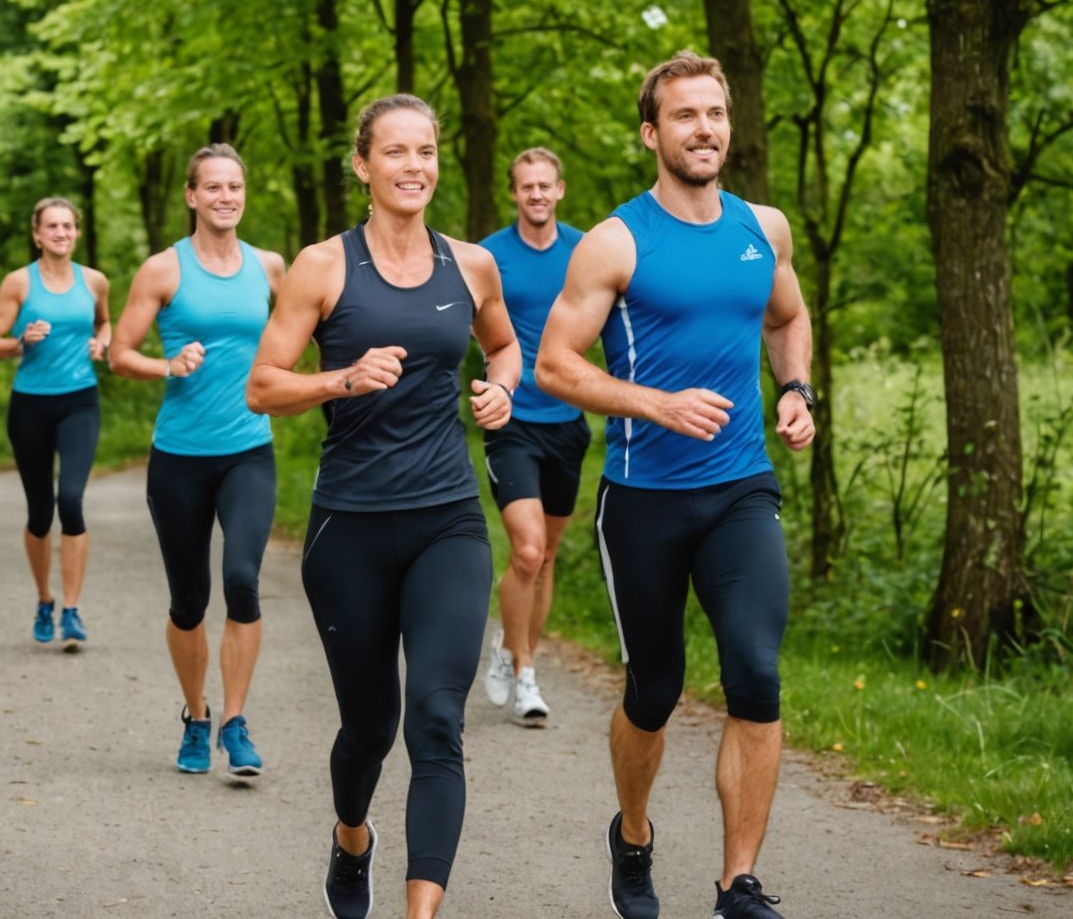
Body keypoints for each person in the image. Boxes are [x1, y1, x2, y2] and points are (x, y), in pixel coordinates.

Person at [536, 51, 814, 919]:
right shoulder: (618, 242)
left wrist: (797, 390)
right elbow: (552, 365)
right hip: (642, 498)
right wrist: (650, 402)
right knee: (653, 690)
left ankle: (738, 884)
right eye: (685, 116)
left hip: (741, 489)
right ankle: (633, 832)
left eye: (716, 114)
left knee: (757, 676)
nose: (705, 129)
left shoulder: (761, 228)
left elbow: (789, 316)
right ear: (653, 134)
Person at [247, 96, 518, 919]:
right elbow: (263, 385)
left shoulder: (470, 265)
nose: (413, 166)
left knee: (437, 720)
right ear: (362, 166)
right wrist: (341, 378)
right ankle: (352, 835)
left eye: (426, 150)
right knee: (370, 726)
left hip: (448, 521)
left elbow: (505, 344)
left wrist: (500, 389)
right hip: (350, 528)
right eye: (394, 152)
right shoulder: (323, 266)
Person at [109, 144, 285, 778]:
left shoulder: (269, 267)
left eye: (234, 186)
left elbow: (303, 333)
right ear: (191, 196)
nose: (225, 197)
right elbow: (119, 353)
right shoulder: (163, 270)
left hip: (249, 452)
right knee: (189, 600)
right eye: (212, 187)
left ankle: (235, 723)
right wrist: (166, 364)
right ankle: (196, 714)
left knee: (242, 579)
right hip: (179, 457)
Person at [477, 148, 589, 727]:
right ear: (514, 193)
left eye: (546, 185)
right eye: (527, 187)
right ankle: (524, 676)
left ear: (560, 189)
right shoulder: (491, 256)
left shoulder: (584, 251)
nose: (537, 195)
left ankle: (513, 648)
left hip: (568, 424)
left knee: (544, 558)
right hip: (512, 420)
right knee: (524, 550)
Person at [0, 197, 111, 648]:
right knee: (40, 511)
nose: (61, 232)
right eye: (52, 226)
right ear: (37, 234)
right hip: (30, 405)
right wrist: (21, 340)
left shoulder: (94, 281)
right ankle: (44, 599)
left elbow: (105, 324)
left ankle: (72, 610)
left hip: (80, 401)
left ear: (76, 232)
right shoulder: (19, 283)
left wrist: (102, 343)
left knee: (70, 499)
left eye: (68, 225)